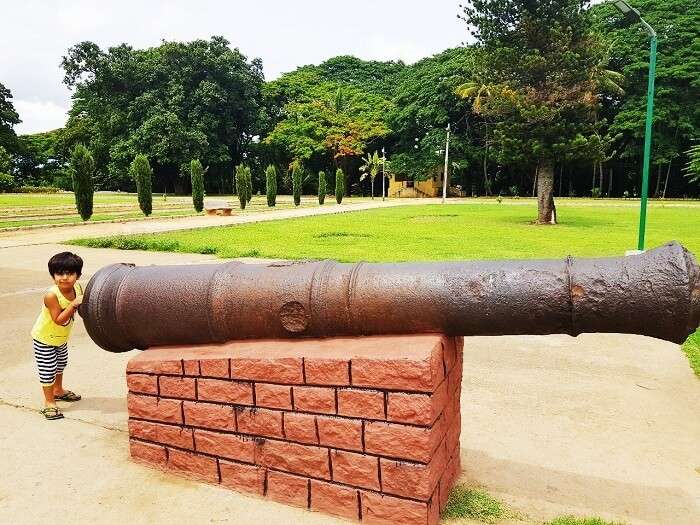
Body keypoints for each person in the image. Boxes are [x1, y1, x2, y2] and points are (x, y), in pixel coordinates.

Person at [31, 252, 84, 420]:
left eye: (70, 273)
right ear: (53, 276)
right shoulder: (51, 296)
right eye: (60, 273)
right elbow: (59, 320)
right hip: (44, 338)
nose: (65, 277)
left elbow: (81, 308)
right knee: (48, 369)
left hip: (61, 338)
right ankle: (49, 402)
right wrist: (74, 305)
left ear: (78, 275)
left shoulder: (78, 288)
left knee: (61, 363)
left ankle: (58, 390)